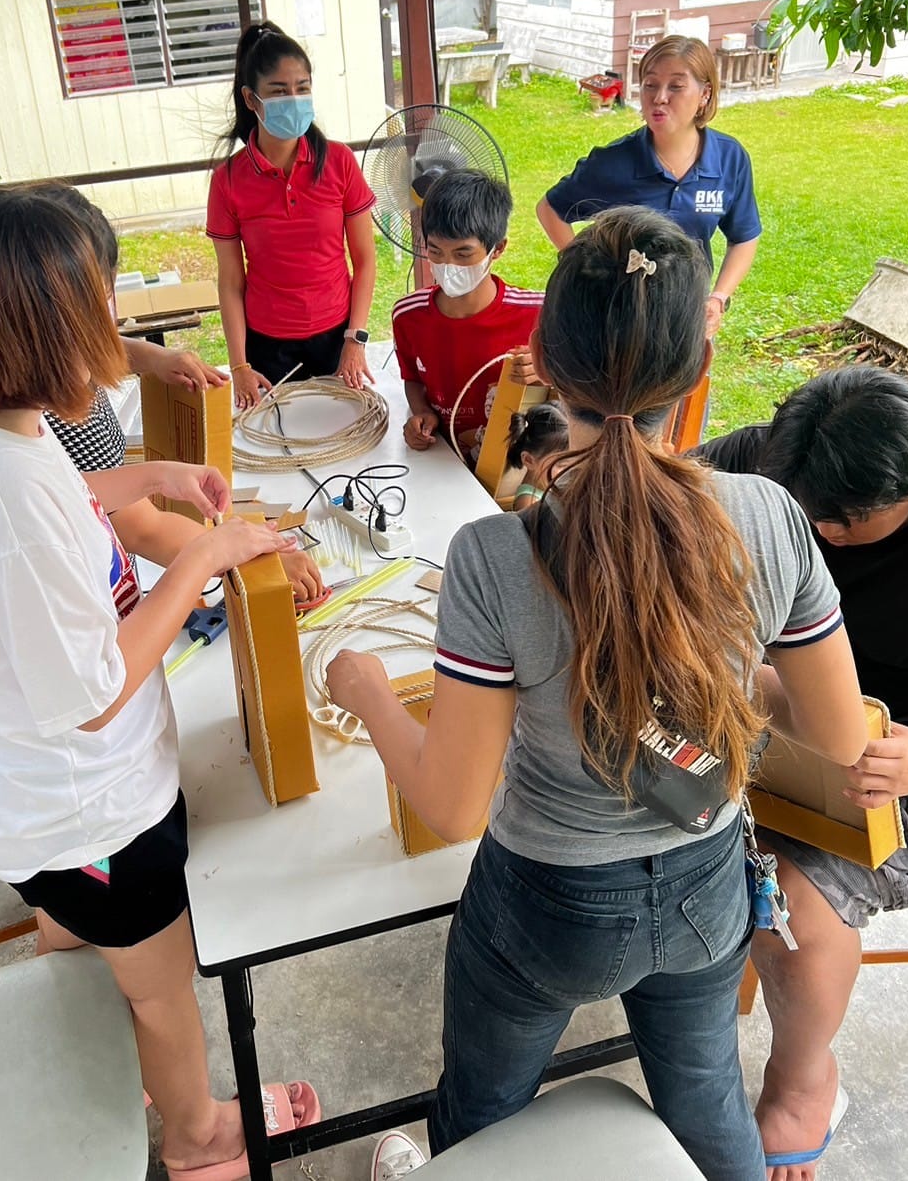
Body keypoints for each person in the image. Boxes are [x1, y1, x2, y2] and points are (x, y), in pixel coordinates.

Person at [327, 207, 868, 1181]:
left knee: (484, 1113)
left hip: (548, 902)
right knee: (705, 1098)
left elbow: (452, 805)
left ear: (540, 360)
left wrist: (368, 692)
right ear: (701, 360)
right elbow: (835, 735)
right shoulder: (767, 515)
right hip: (706, 877)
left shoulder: (494, 554)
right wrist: (719, 672)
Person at [0, 187, 320, 1181]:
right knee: (163, 989)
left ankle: (96, 1043)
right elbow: (92, 692)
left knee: (76, 937)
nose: (114, 325)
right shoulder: (6, 496)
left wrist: (147, 480)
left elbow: (57, 499)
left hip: (20, 795)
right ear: (48, 328)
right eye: (100, 303)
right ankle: (197, 1136)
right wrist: (202, 556)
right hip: (87, 811)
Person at [696, 366, 908, 1178]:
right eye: (806, 514)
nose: (821, 532)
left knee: (786, 901)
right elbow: (661, 496)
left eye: (846, 521)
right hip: (766, 714)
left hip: (900, 767)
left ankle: (802, 1080)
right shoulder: (771, 463)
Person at [38, 182, 323, 603]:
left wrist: (150, 357)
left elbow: (90, 347)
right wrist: (241, 556)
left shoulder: (11, 366)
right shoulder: (56, 418)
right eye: (98, 300)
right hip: (93, 594)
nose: (106, 318)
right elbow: (142, 528)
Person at [536, 36, 761, 337]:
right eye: (650, 85)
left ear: (705, 94)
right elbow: (550, 209)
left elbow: (744, 236)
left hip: (688, 319)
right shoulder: (613, 162)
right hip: (620, 321)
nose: (659, 97)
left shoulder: (729, 158)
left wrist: (718, 298)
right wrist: (586, 271)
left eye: (676, 86)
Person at [207, 21, 377, 408]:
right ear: (251, 99)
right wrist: (239, 365)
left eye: (302, 88)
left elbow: (365, 259)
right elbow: (230, 282)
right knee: (273, 439)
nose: (294, 100)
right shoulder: (227, 181)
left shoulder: (339, 161)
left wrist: (355, 340)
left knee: (345, 433)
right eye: (279, 91)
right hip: (268, 348)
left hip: (337, 339)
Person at [391, 170, 543, 458]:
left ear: (497, 249)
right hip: (445, 457)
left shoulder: (537, 315)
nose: (448, 265)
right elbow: (413, 379)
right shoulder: (408, 317)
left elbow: (576, 390)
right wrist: (422, 413)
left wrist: (545, 372)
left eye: (463, 254)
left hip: (514, 461)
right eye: (435, 251)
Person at [506, 402, 569, 510]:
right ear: (528, 460)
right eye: (562, 465)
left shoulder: (548, 488)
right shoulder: (528, 503)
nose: (568, 471)